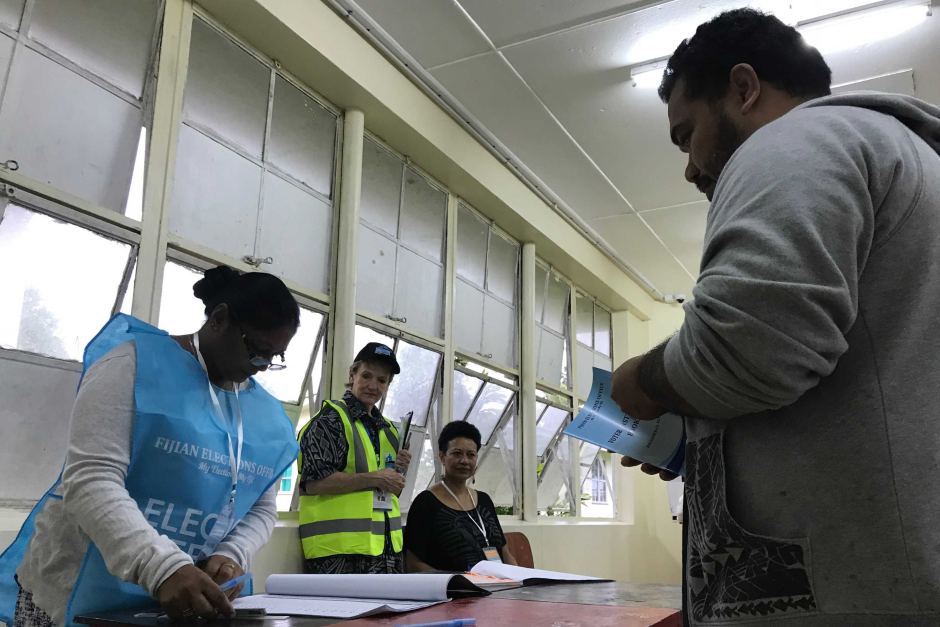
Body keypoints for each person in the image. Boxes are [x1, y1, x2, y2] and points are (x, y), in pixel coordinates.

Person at [610, 8, 940, 626]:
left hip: (853, 595)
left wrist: (644, 382)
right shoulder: (906, 163)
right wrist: (698, 432)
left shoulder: (795, 140)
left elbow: (749, 349)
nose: (688, 165)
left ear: (744, 88)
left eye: (688, 134)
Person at [0, 266, 302, 626]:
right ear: (220, 319)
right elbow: (92, 479)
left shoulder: (263, 415)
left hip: (182, 598)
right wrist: (162, 566)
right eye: (257, 350)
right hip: (80, 587)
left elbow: (260, 506)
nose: (262, 367)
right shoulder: (133, 365)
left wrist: (232, 551)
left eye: (274, 357)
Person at [296, 342, 412, 574]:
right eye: (366, 376)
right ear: (352, 374)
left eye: (382, 380)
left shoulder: (389, 430)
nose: (373, 385)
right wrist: (377, 478)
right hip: (338, 555)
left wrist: (397, 475)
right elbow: (313, 484)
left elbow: (391, 492)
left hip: (386, 553)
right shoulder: (330, 421)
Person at [404, 421, 516, 572]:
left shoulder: (484, 500)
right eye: (457, 453)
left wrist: (519, 580)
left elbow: (505, 552)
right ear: (442, 457)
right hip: (456, 591)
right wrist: (458, 582)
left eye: (471, 455)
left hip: (498, 587)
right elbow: (413, 564)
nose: (464, 461)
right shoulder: (426, 503)